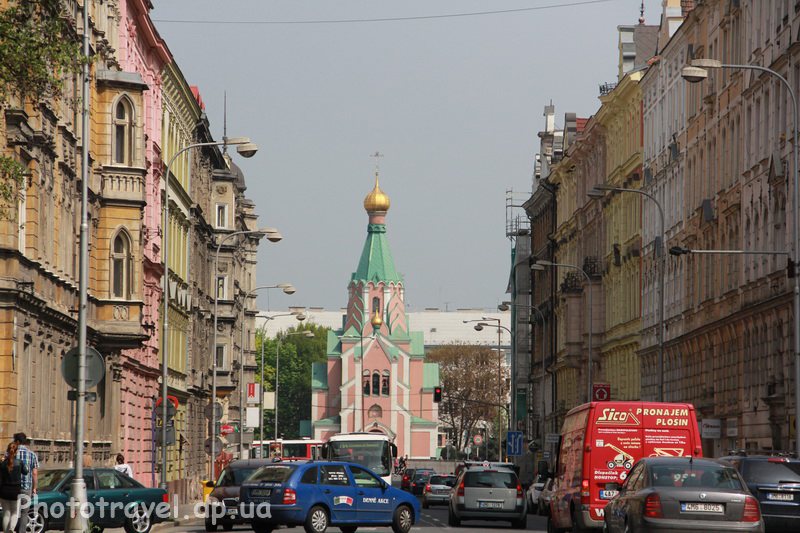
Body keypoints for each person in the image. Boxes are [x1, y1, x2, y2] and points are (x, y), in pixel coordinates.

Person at [13, 432, 38, 533]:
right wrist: (34, 488)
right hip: (26, 487)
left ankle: (11, 529)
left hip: (12, 487)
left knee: (13, 511)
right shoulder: (32, 455)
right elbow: (35, 473)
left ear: (18, 442)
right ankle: (21, 531)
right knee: (24, 512)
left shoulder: (10, 453)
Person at [0, 442, 27, 533]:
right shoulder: (19, 462)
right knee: (15, 512)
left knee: (6, 513)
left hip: (4, 490)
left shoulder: (3, 463)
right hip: (15, 490)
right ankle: (12, 527)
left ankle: (6, 531)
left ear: (7, 451)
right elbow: (26, 471)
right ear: (16, 451)